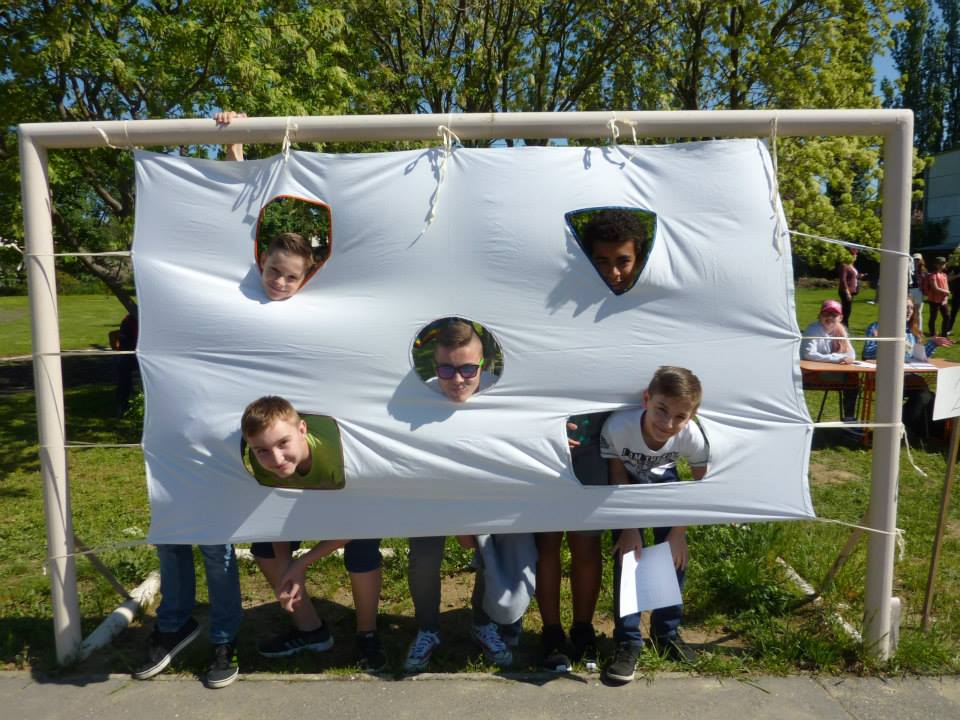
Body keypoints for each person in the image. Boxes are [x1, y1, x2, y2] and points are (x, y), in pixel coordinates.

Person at [131, 115, 250, 690]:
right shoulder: (169, 281)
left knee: (216, 544)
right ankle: (175, 622)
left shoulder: (237, 285)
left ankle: (225, 636)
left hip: (223, 429)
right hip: (174, 423)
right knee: (172, 532)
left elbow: (235, 227)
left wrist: (234, 149)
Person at [534, 209, 650, 673]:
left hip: (600, 449)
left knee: (586, 545)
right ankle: (551, 631)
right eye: (601, 261)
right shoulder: (558, 306)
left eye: (622, 261)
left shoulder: (643, 310)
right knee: (546, 543)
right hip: (551, 442)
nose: (613, 272)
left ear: (639, 261)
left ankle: (582, 628)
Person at [404, 318, 526, 672]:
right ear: (433, 365)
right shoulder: (420, 396)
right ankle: (427, 629)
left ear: (483, 364)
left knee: (490, 554)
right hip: (434, 494)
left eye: (467, 369)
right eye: (446, 369)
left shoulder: (501, 392)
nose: (457, 379)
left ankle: (482, 622)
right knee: (423, 558)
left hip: (486, 495)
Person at [241, 396, 386, 672]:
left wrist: (300, 565)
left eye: (283, 443)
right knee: (266, 549)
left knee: (362, 550)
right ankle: (310, 630)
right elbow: (275, 510)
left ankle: (367, 634)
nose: (276, 458)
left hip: (353, 500)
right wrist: (286, 569)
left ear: (302, 429)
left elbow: (358, 523)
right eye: (262, 450)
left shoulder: (337, 454)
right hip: (305, 495)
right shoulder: (262, 461)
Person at [600, 366, 710, 683]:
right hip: (627, 487)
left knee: (673, 558)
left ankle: (666, 633)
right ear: (647, 399)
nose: (668, 423)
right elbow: (616, 474)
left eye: (680, 416)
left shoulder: (691, 436)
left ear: (691, 417)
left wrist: (678, 533)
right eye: (662, 410)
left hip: (666, 484)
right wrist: (629, 527)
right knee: (629, 559)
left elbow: (701, 485)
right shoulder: (619, 426)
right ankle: (628, 641)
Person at [863, 297, 953, 441]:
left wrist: (933, 343)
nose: (909, 311)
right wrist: (888, 342)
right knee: (922, 390)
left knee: (926, 395)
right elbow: (867, 353)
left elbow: (917, 355)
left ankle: (922, 430)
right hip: (881, 376)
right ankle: (909, 429)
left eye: (911, 308)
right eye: (905, 307)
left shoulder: (912, 331)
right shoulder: (877, 327)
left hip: (906, 376)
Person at [800, 299, 859, 423]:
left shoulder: (841, 331)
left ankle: (849, 419)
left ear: (840, 318)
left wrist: (841, 358)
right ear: (820, 316)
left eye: (834, 315)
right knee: (851, 378)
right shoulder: (813, 330)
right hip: (810, 374)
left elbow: (851, 355)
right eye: (826, 314)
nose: (829, 317)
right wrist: (837, 358)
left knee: (853, 377)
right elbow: (808, 354)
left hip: (831, 373)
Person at [926, 256, 951, 338]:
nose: (942, 265)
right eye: (940, 264)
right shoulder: (932, 275)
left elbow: (947, 288)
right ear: (936, 265)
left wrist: (945, 299)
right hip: (934, 299)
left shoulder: (944, 275)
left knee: (947, 316)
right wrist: (946, 292)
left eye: (943, 263)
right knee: (933, 317)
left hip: (943, 300)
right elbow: (935, 288)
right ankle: (933, 334)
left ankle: (944, 335)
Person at [838, 247, 861, 326]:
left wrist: (859, 276)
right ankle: (843, 325)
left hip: (851, 291)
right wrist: (847, 291)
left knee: (847, 310)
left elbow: (852, 277)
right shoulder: (844, 266)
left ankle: (844, 325)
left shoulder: (851, 266)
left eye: (856, 255)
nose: (856, 256)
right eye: (854, 255)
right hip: (846, 291)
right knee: (846, 310)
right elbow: (843, 280)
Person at [908, 253, 926, 330]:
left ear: (921, 260)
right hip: (909, 291)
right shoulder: (908, 269)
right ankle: (910, 328)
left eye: (918, 260)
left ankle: (919, 330)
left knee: (918, 312)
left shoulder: (923, 271)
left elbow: (926, 283)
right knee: (909, 311)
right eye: (915, 259)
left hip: (919, 291)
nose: (916, 261)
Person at [945, 255, 960, 336]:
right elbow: (948, 278)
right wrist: (957, 276)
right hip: (957, 293)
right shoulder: (956, 268)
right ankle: (949, 329)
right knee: (953, 312)